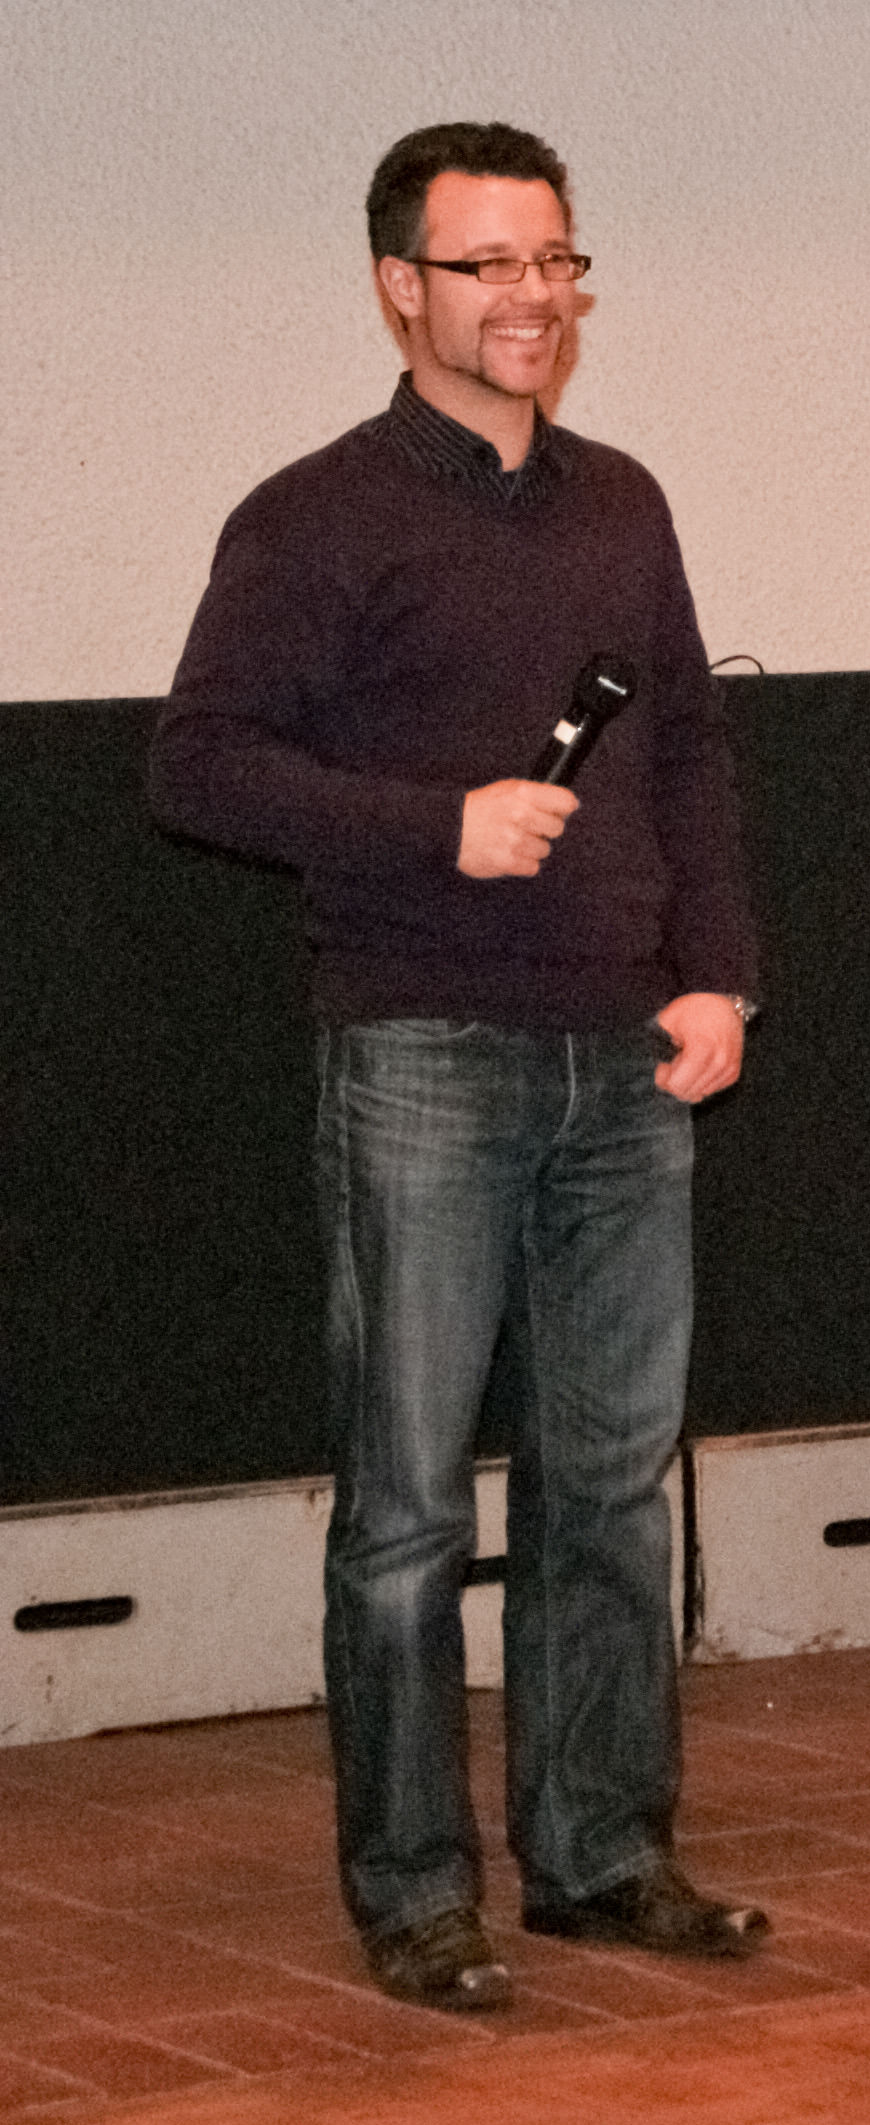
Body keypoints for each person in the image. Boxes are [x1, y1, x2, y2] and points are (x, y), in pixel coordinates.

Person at [148, 122, 767, 2012]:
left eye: (555, 261)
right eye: (488, 264)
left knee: (610, 1483)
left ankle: (601, 1854)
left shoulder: (622, 503)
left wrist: (719, 977)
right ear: (397, 288)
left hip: (626, 1059)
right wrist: (439, 825)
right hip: (422, 1051)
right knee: (410, 1508)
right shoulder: (313, 516)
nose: (532, 298)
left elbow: (687, 755)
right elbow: (198, 764)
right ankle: (415, 1890)